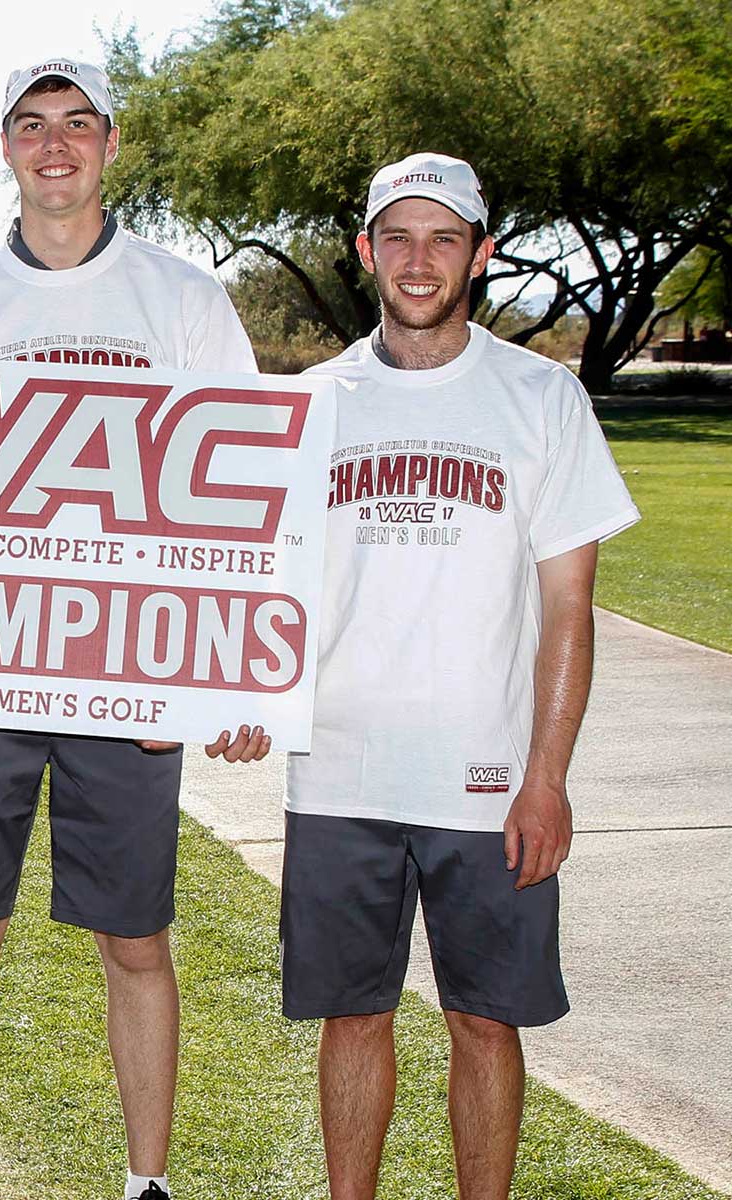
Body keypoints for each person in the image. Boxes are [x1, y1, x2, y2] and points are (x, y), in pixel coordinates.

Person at [0, 58, 271, 1200]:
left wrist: (224, 684)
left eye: (75, 124)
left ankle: (145, 1180)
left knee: (136, 942)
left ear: (112, 144)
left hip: (133, 672)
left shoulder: (183, 297)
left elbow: (246, 487)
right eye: (30, 125)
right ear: (4, 148)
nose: (53, 145)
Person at [287, 152, 639, 1200]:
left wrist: (547, 774)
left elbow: (568, 609)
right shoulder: (312, 403)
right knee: (354, 1016)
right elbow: (262, 585)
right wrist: (244, 702)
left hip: (486, 780)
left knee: (485, 1019)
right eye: (397, 236)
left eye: (445, 237)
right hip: (338, 770)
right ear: (365, 253)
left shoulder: (541, 396)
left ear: (482, 254)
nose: (419, 259)